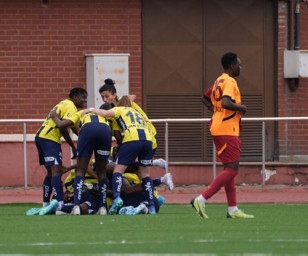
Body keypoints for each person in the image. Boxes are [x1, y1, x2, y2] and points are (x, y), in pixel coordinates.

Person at [191, 52, 254, 219]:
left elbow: (205, 97)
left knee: (229, 169)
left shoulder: (219, 80)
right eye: (239, 64)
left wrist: (217, 112)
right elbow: (226, 102)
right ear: (232, 66)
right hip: (227, 129)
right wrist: (242, 108)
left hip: (219, 126)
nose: (240, 67)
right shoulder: (230, 81)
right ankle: (201, 199)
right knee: (232, 170)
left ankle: (232, 209)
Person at [82, 96, 157, 215]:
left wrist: (90, 109)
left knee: (118, 171)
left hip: (132, 138)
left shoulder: (120, 109)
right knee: (145, 175)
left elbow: (106, 113)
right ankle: (152, 206)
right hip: (148, 140)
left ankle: (117, 198)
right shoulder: (137, 111)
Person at [46, 106, 112, 215]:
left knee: (81, 171)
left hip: (87, 129)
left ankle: (76, 206)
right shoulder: (105, 114)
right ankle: (103, 207)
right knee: (102, 172)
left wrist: (55, 117)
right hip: (105, 130)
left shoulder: (80, 113)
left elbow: (61, 125)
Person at [34, 88, 87, 212]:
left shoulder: (63, 103)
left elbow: (73, 127)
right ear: (75, 97)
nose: (85, 102)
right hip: (50, 139)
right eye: (83, 98)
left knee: (50, 172)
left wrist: (75, 144)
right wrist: (73, 146)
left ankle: (45, 205)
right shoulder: (71, 107)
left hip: (41, 137)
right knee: (56, 171)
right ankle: (59, 204)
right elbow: (62, 126)